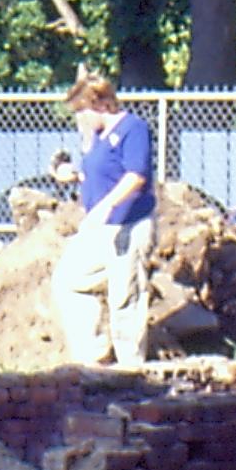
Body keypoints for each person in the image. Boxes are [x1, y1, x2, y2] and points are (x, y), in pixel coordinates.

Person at [51, 71, 155, 365]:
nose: (79, 119)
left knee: (125, 297)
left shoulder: (133, 129)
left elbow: (135, 176)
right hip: (100, 229)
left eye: (82, 112)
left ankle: (131, 369)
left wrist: (107, 206)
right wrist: (72, 175)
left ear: (100, 104)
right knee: (69, 281)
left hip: (129, 225)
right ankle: (94, 356)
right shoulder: (98, 138)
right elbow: (101, 174)